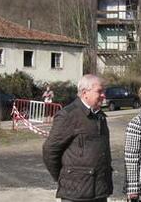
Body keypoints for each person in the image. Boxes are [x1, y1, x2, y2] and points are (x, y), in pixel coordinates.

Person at [42, 74, 112, 202]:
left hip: (99, 191)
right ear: (85, 93)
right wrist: (66, 177)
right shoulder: (68, 115)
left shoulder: (100, 116)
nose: (104, 95)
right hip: (75, 193)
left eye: (104, 91)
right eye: (99, 91)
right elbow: (50, 150)